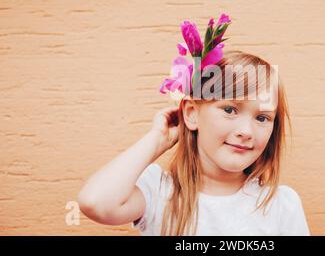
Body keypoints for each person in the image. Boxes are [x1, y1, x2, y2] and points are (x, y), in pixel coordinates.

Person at [78, 13, 310, 236]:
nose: (246, 132)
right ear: (191, 113)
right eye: (230, 110)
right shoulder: (159, 192)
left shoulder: (282, 206)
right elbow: (96, 202)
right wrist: (158, 140)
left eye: (262, 118)